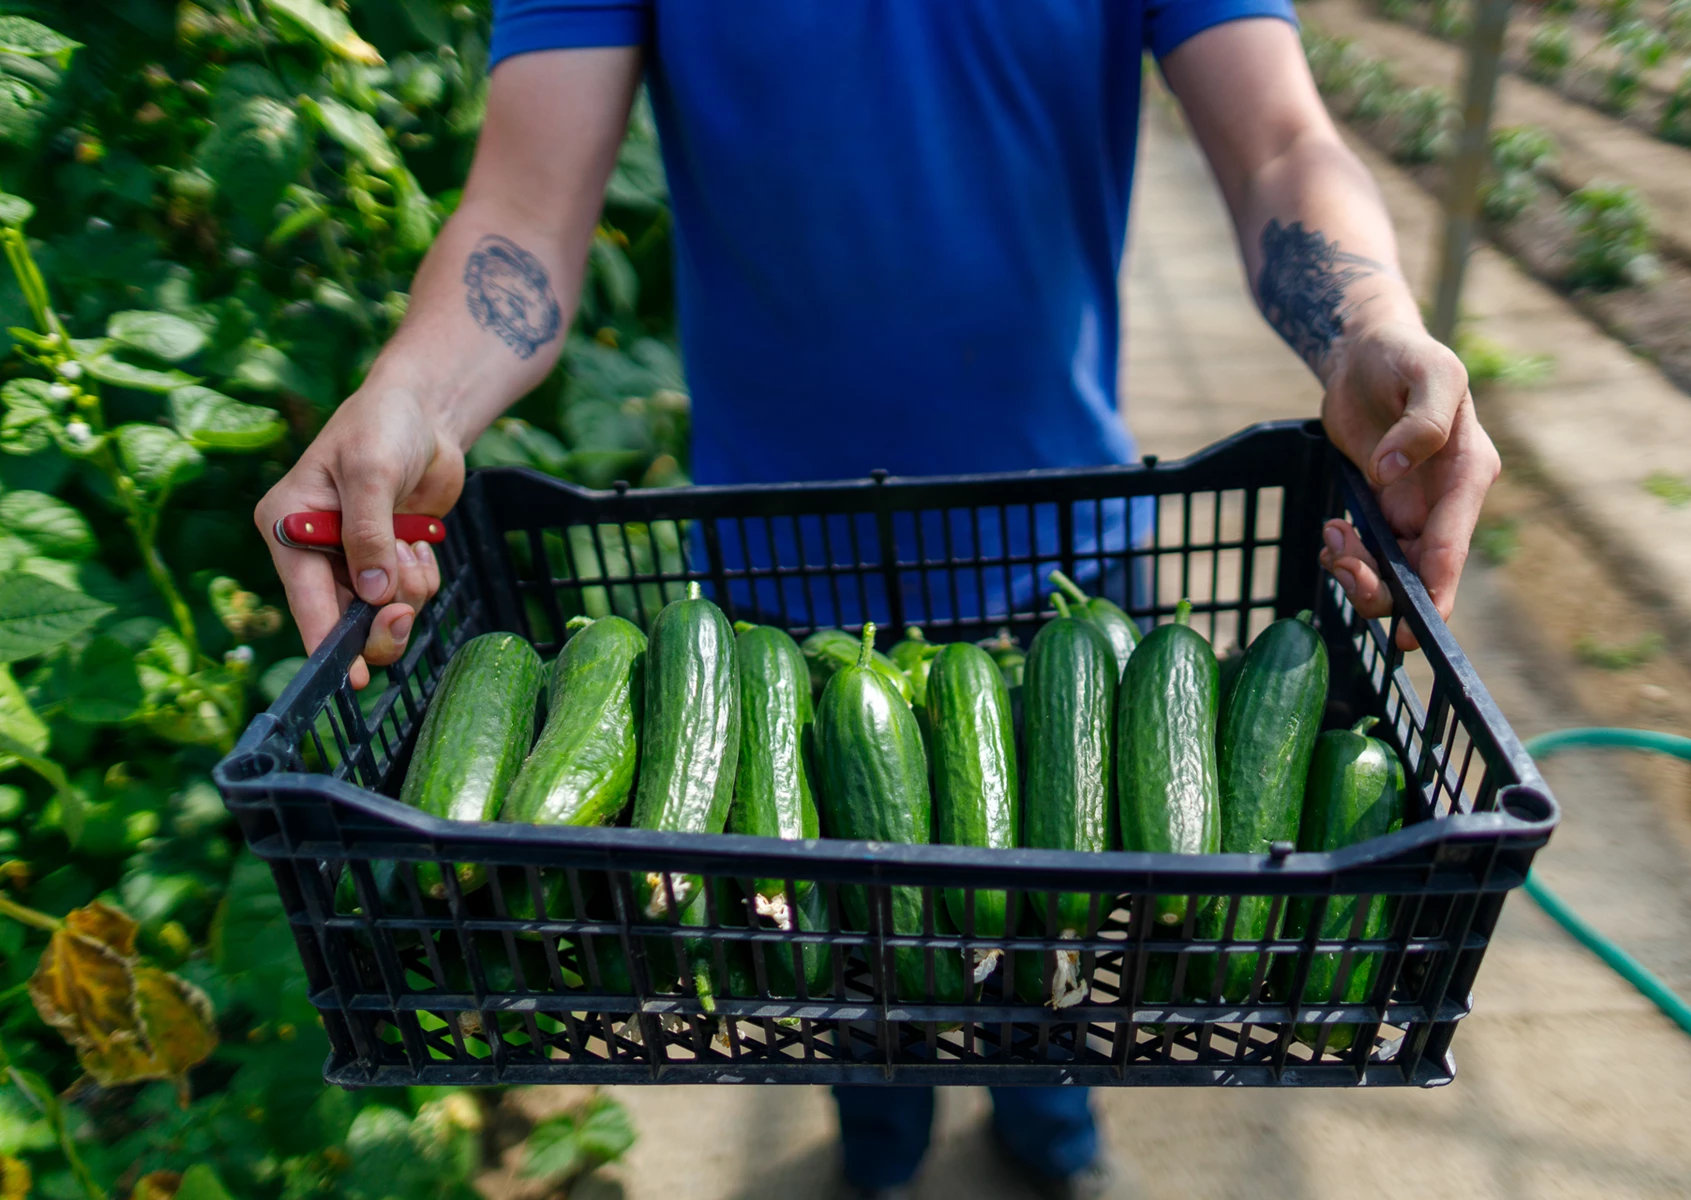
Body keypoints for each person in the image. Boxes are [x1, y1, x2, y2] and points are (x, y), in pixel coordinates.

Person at [255, 1, 1500, 1196]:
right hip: (774, 578)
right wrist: (414, 394)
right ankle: (884, 1140)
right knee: (847, 971)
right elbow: (522, 214)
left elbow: (1284, 142)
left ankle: (1048, 1124)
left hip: (1069, 548)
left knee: (1062, 962)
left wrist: (1368, 326)